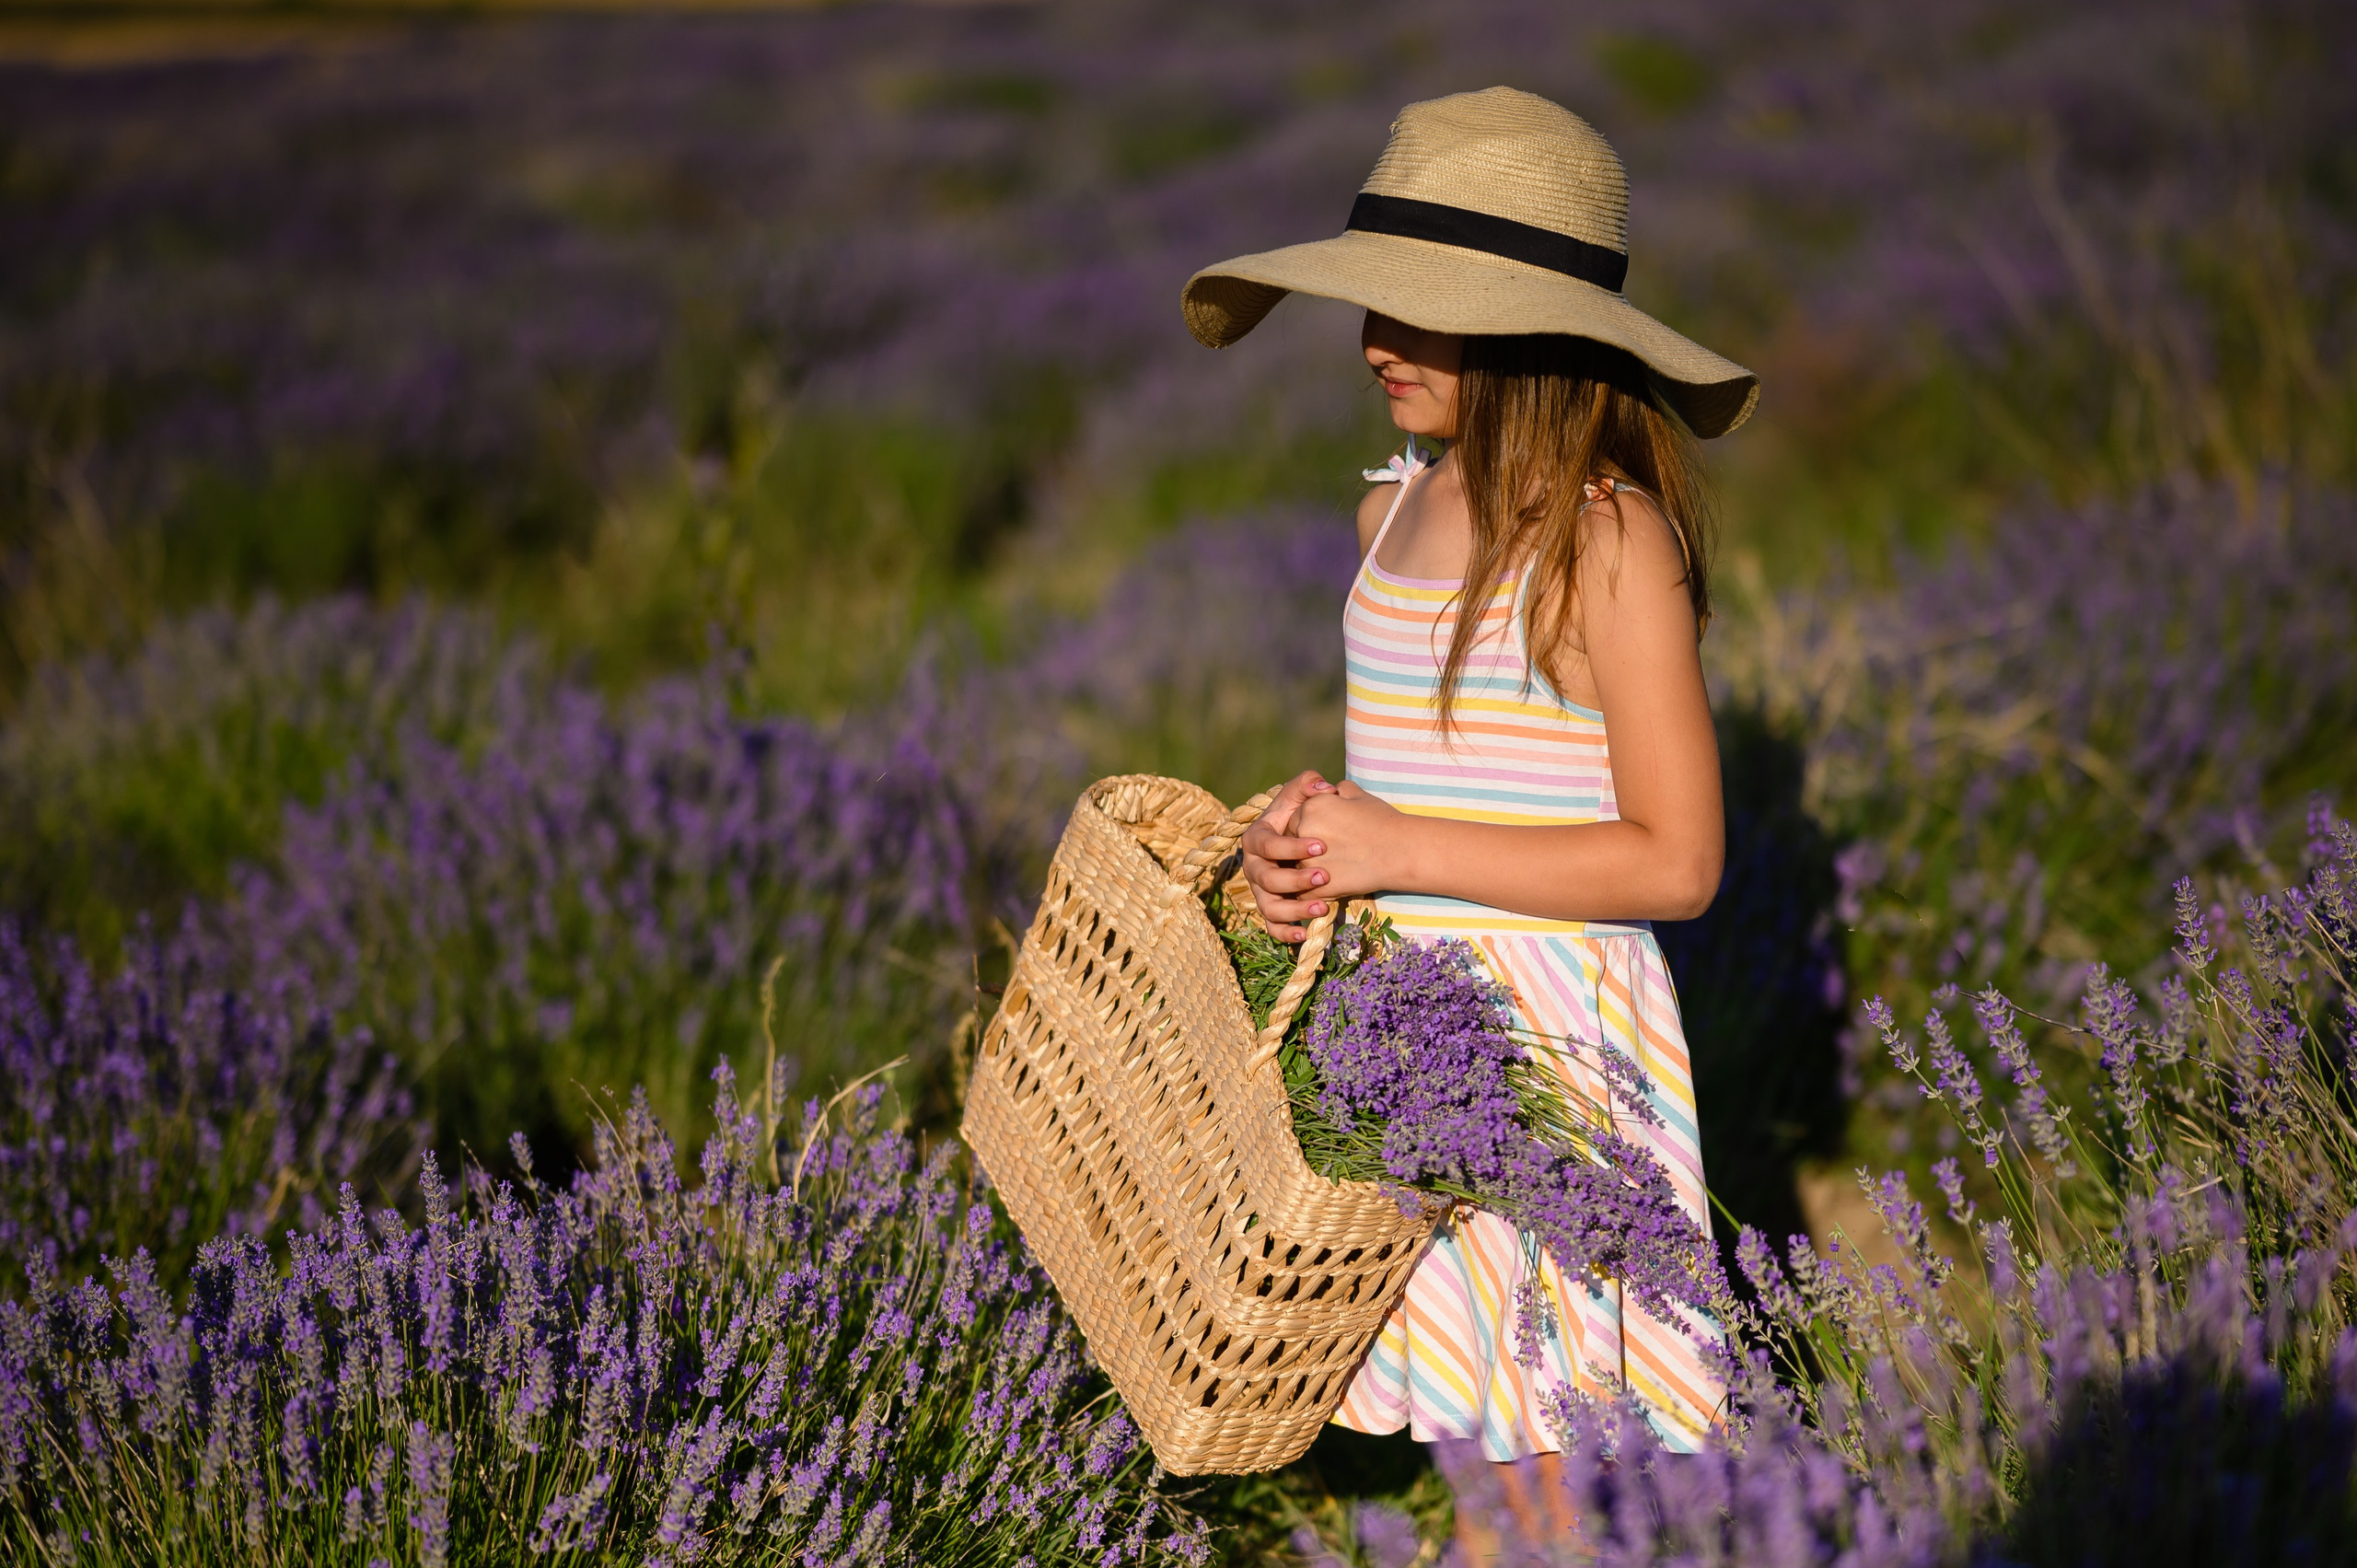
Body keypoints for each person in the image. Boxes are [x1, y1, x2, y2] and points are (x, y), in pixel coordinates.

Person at [1180, 87, 1759, 1554]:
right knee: (1474, 1435)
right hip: (1404, 1039)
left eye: (1423, 312)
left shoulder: (1605, 540)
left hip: (1555, 1057)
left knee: (1572, 1449)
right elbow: (1409, 780)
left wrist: (1403, 849)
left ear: (1530, 332)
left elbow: (1681, 861)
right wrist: (1300, 849)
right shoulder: (1393, 517)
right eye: (1374, 300)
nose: (1378, 338)